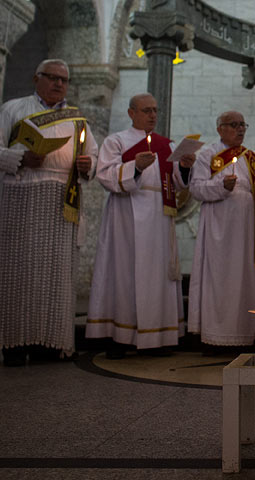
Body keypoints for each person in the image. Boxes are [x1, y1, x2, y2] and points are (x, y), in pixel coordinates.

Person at [0, 59, 98, 367]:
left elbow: (92, 154)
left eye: (63, 80)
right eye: (52, 78)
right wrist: (20, 157)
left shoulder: (77, 119)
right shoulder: (14, 109)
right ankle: (15, 345)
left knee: (56, 274)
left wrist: (88, 165)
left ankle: (50, 343)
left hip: (61, 203)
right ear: (36, 78)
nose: (58, 84)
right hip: (21, 197)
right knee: (18, 273)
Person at [86, 93, 195, 358]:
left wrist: (183, 167)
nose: (152, 115)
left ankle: (158, 336)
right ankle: (121, 337)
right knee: (124, 273)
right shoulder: (116, 141)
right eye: (146, 110)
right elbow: (105, 175)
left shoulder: (165, 145)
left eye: (155, 110)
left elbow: (179, 184)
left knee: (158, 274)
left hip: (159, 216)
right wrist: (134, 167)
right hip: (127, 215)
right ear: (131, 112)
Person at [188, 111, 255, 351]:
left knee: (247, 277)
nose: (240, 129)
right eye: (234, 125)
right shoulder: (208, 155)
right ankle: (218, 335)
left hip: (249, 230)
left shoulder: (252, 157)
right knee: (221, 278)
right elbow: (196, 188)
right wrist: (221, 186)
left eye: (242, 125)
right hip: (220, 230)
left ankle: (249, 333)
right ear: (220, 129)